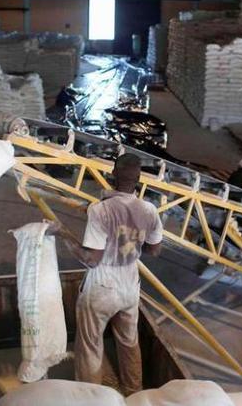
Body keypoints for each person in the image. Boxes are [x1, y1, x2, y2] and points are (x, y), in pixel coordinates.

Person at [52, 153, 163, 395]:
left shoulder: (100, 211)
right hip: (130, 284)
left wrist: (63, 233)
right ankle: (134, 393)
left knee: (91, 345)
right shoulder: (149, 210)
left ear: (112, 174)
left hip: (103, 284)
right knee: (129, 341)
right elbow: (155, 250)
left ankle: (92, 398)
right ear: (139, 178)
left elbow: (92, 259)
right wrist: (131, 241)